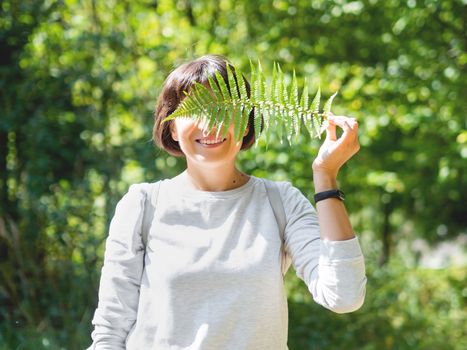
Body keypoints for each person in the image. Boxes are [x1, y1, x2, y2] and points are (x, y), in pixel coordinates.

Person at [88, 54, 367, 349]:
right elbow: (110, 331)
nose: (210, 122)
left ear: (246, 124)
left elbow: (344, 295)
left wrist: (325, 175)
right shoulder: (143, 205)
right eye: (194, 109)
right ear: (171, 127)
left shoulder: (280, 202)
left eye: (222, 109)